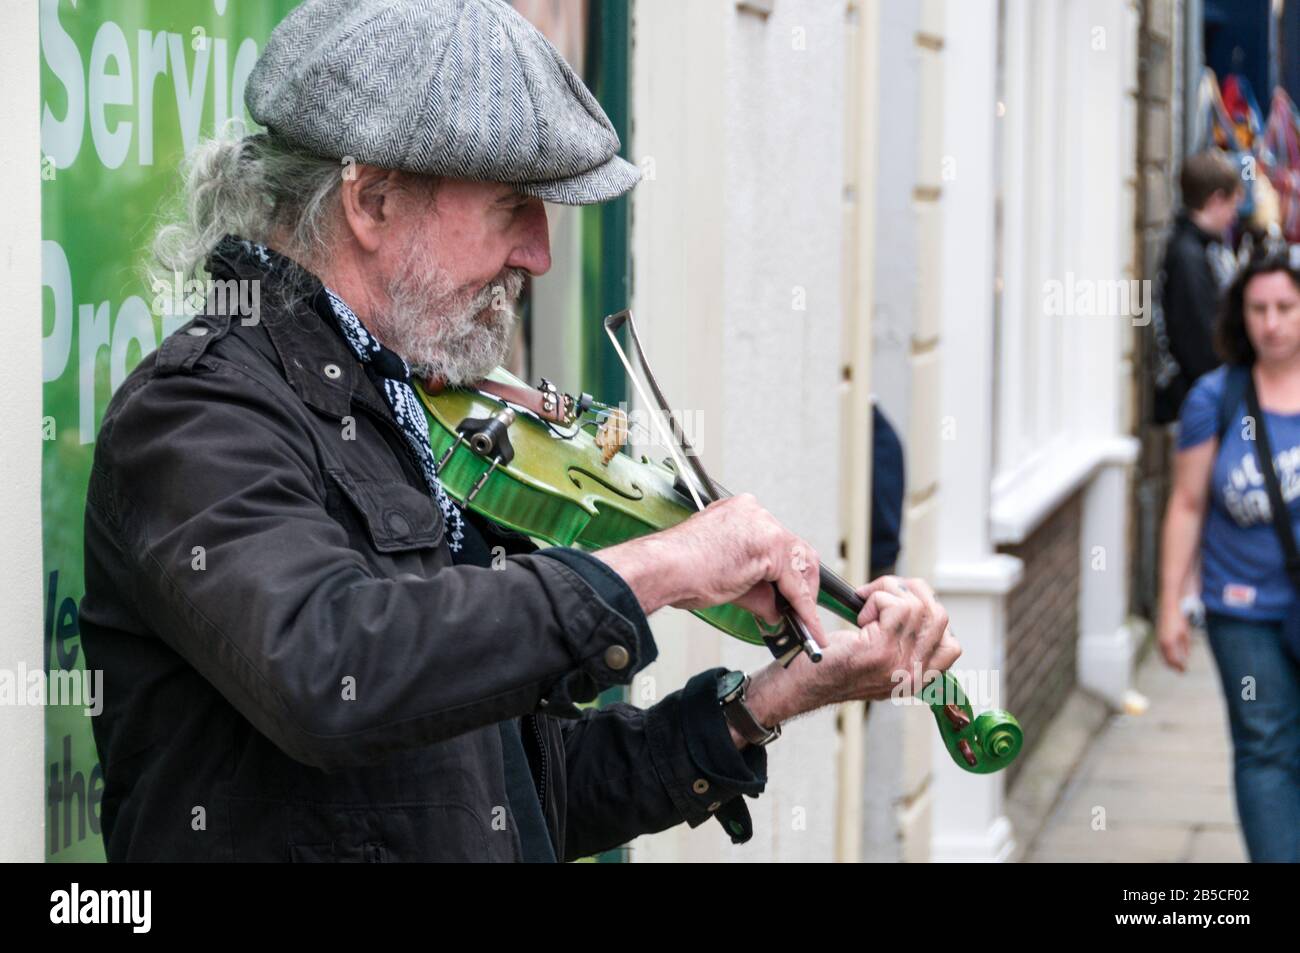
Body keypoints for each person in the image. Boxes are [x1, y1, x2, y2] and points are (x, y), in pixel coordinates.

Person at [78, 0, 960, 862]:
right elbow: (328, 671)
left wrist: (766, 700)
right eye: (513, 206)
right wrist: (664, 563)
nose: (539, 253)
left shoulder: (414, 408)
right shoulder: (198, 414)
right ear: (372, 201)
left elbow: (502, 793)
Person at [1157, 250, 1300, 863]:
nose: (1272, 323)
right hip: (1242, 607)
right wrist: (1170, 605)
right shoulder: (1214, 399)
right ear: (1241, 317)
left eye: (1286, 308)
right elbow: (1188, 503)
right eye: (1258, 309)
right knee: (1265, 742)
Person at [1153, 151, 1242, 422]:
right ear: (1216, 200)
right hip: (1196, 404)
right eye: (1233, 206)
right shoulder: (1188, 257)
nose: (1233, 217)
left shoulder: (1204, 248)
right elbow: (1200, 342)